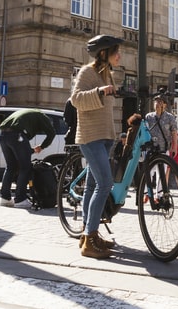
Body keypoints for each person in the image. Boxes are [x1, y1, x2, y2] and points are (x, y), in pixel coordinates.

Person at [70, 34, 122, 259]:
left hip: (104, 136)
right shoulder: (87, 72)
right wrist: (100, 91)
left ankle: (88, 234)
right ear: (103, 53)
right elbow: (76, 99)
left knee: (92, 186)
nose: (119, 55)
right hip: (90, 137)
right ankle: (90, 239)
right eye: (115, 52)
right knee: (105, 183)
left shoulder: (107, 73)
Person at [0, 109, 56, 209]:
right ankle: (20, 199)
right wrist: (42, 146)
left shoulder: (29, 116)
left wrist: (29, 150)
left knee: (11, 167)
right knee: (25, 168)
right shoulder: (43, 118)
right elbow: (51, 133)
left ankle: (5, 198)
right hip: (17, 135)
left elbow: (22, 144)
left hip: (3, 135)